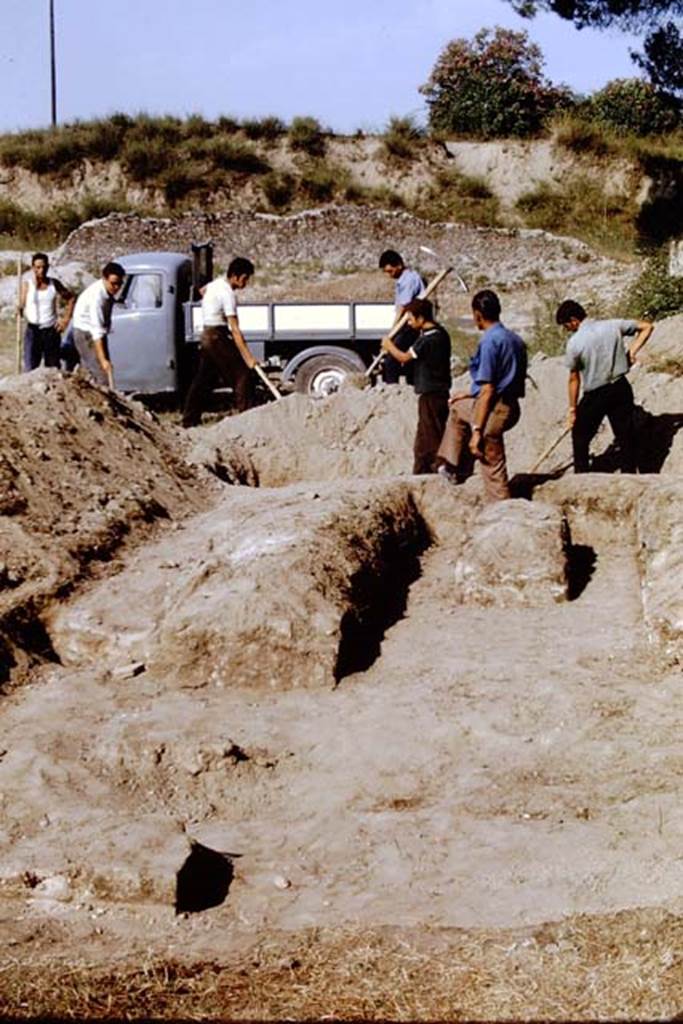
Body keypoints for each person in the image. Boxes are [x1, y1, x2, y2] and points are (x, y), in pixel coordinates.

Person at [437, 288, 526, 502]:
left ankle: (501, 511)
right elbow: (500, 379)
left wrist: (476, 431)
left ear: (478, 314)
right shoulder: (515, 339)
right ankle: (454, 465)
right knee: (458, 407)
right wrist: (467, 393)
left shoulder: (489, 342)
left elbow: (488, 390)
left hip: (494, 409)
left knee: (492, 466)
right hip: (511, 407)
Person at [556, 300, 654, 474]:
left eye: (566, 326)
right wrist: (632, 351)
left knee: (580, 436)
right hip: (620, 387)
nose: (567, 330)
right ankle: (629, 475)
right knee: (625, 436)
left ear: (573, 320)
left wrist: (572, 409)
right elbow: (647, 327)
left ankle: (581, 477)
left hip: (596, 394)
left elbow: (574, 379)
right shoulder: (612, 325)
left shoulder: (575, 342)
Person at [182, 257, 257, 427]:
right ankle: (248, 418)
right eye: (245, 279)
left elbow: (202, 291)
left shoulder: (215, 284)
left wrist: (214, 309)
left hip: (206, 335)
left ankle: (189, 420)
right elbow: (235, 330)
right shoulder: (227, 294)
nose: (245, 283)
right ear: (235, 276)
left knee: (203, 379)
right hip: (217, 336)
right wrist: (248, 358)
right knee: (242, 375)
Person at [380, 298, 451, 474]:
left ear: (421, 318)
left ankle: (436, 469)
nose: (410, 323)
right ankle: (424, 470)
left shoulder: (427, 340)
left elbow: (404, 357)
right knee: (427, 434)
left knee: (430, 436)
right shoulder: (441, 334)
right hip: (439, 391)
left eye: (411, 319)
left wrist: (390, 346)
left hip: (431, 393)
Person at [72, 262, 126, 387]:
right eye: (113, 283)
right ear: (104, 279)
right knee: (102, 375)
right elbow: (97, 333)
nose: (116, 287)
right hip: (86, 334)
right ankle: (104, 403)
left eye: (119, 284)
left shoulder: (106, 292)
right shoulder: (97, 298)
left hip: (93, 332)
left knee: (95, 372)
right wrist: (103, 360)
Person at [18, 252, 75, 371]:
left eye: (44, 267)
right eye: (38, 267)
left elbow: (71, 298)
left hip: (51, 331)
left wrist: (65, 320)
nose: (41, 270)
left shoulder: (54, 284)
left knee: (53, 369)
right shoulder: (27, 284)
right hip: (33, 331)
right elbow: (22, 302)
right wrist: (19, 308)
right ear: (33, 268)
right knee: (30, 368)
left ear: (48, 267)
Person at [378, 249, 425, 385]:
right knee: (407, 361)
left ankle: (392, 389)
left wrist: (392, 332)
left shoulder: (409, 280)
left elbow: (403, 308)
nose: (389, 275)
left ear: (398, 265)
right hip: (408, 323)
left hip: (412, 325)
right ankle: (410, 386)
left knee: (392, 358)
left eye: (390, 271)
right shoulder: (403, 280)